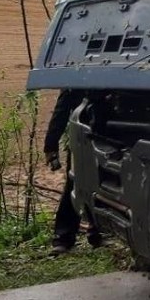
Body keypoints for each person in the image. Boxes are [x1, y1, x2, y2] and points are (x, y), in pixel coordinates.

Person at [44, 89, 99, 253]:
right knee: (74, 184)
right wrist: (51, 145)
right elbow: (62, 108)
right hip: (81, 139)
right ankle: (63, 236)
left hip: (107, 136)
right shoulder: (77, 74)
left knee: (102, 184)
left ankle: (96, 232)